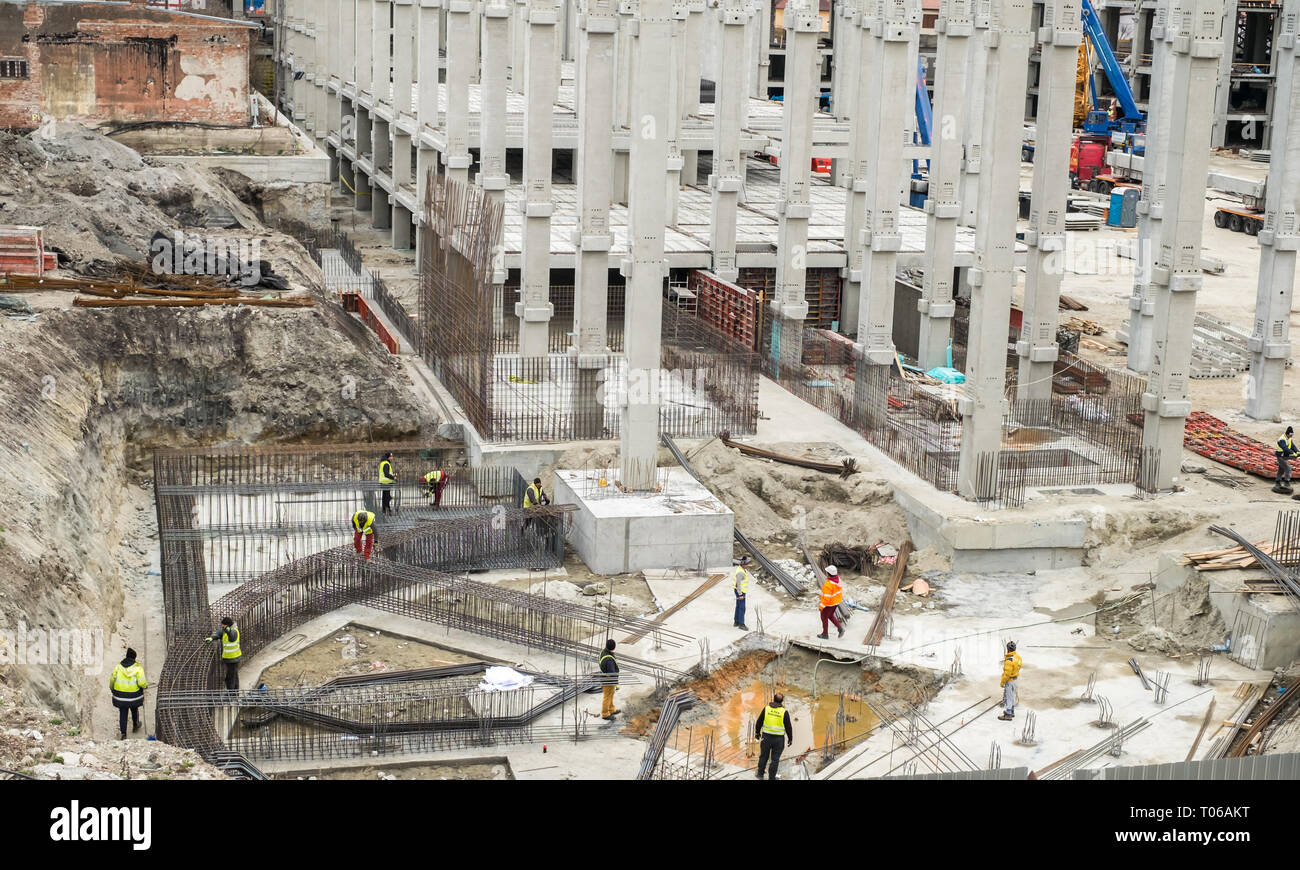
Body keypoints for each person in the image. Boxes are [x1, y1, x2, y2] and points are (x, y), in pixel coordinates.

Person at [109, 648, 148, 740]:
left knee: (123, 712)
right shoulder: (138, 668)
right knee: (134, 709)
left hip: (120, 697)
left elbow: (112, 680)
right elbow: (142, 683)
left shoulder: (118, 667)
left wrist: (112, 689)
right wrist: (145, 686)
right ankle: (135, 725)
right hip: (134, 696)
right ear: (134, 658)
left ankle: (123, 734)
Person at [754, 692, 794, 780]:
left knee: (763, 756)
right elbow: (788, 727)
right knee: (775, 760)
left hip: (766, 738)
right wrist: (790, 739)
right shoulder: (784, 712)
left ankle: (760, 774)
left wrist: (757, 733)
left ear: (773, 699)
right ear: (782, 701)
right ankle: (771, 778)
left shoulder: (766, 709)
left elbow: (759, 722)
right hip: (778, 740)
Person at [206, 617, 242, 691]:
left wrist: (229, 631)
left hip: (233, 658)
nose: (222, 627)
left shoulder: (234, 631)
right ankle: (235, 693)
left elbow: (232, 637)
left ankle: (231, 695)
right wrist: (212, 638)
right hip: (230, 658)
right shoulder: (224, 630)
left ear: (227, 625)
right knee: (234, 676)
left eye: (223, 626)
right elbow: (219, 633)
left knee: (230, 678)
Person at [817, 565, 845, 640]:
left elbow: (826, 599)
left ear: (828, 573)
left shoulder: (828, 585)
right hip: (836, 602)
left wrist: (821, 607)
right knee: (830, 616)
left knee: (824, 617)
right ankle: (840, 628)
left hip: (829, 604)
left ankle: (825, 634)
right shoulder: (838, 580)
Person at [998, 641, 1022, 721]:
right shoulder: (1017, 657)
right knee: (1012, 696)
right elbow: (1020, 665)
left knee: (1008, 697)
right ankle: (1011, 711)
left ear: (1008, 649)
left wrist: (1002, 682)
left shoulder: (1009, 661)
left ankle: (1008, 714)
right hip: (1015, 680)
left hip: (1010, 681)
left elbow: (1006, 674)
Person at [598, 639, 620, 720]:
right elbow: (612, 673)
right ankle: (605, 714)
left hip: (605, 677)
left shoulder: (603, 652)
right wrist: (616, 683)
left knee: (611, 694)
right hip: (608, 680)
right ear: (613, 647)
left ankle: (611, 709)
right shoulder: (609, 659)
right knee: (607, 697)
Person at [732, 557, 754, 630]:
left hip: (739, 591)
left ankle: (736, 621)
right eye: (747, 564)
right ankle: (741, 624)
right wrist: (740, 594)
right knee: (742, 608)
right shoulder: (740, 572)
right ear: (743, 564)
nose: (748, 565)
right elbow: (738, 584)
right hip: (740, 591)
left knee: (738, 606)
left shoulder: (741, 569)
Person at [1275, 427, 1299, 494]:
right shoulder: (1281, 439)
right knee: (1288, 468)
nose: (1291, 436)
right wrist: (1292, 453)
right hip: (1280, 456)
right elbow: (1285, 448)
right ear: (1287, 434)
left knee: (1281, 469)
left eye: (1292, 435)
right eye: (1290, 435)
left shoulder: (1289, 438)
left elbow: (1292, 446)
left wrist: (1297, 451)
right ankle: (1286, 482)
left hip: (1284, 456)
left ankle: (1277, 481)